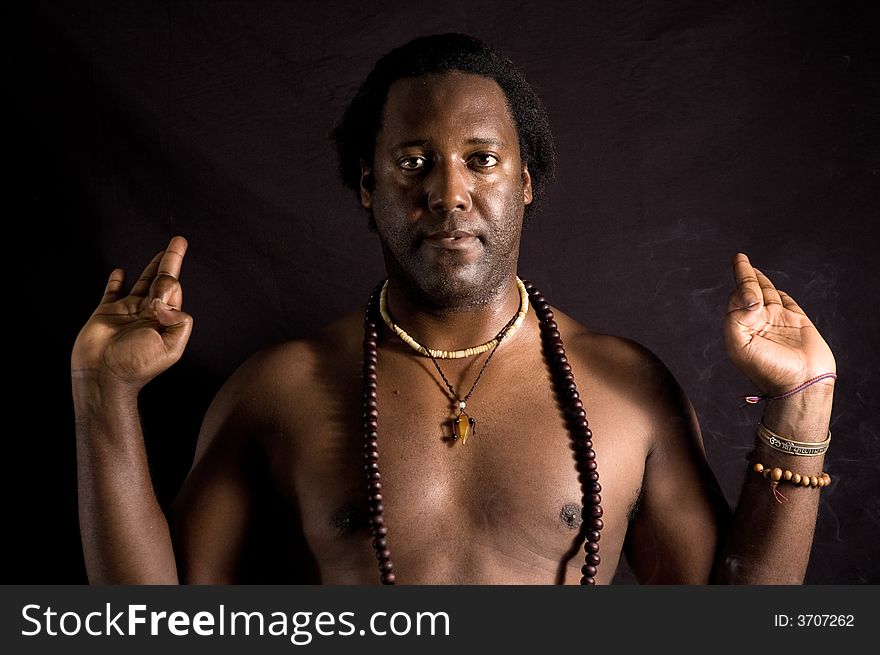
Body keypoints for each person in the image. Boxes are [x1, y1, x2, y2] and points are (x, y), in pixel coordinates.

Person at [71, 33, 836, 585]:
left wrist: (800, 405)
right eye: (412, 162)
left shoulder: (627, 386)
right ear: (368, 189)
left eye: (481, 158)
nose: (448, 192)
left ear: (526, 182)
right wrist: (103, 395)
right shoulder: (280, 389)